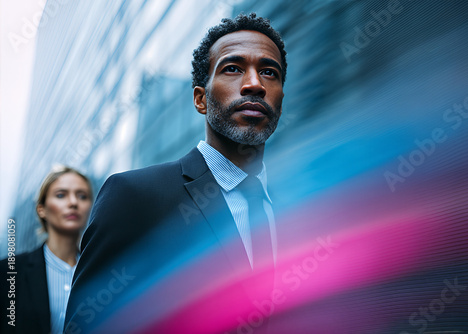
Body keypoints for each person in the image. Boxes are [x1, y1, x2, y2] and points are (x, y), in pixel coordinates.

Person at [64, 13, 287, 334]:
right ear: (200, 99)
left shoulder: (298, 205)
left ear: (280, 100)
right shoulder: (134, 196)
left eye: (269, 72)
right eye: (233, 68)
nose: (254, 84)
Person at [1, 166, 93, 334]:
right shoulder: (9, 271)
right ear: (41, 209)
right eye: (61, 195)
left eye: (82, 196)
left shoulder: (100, 270)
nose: (73, 202)